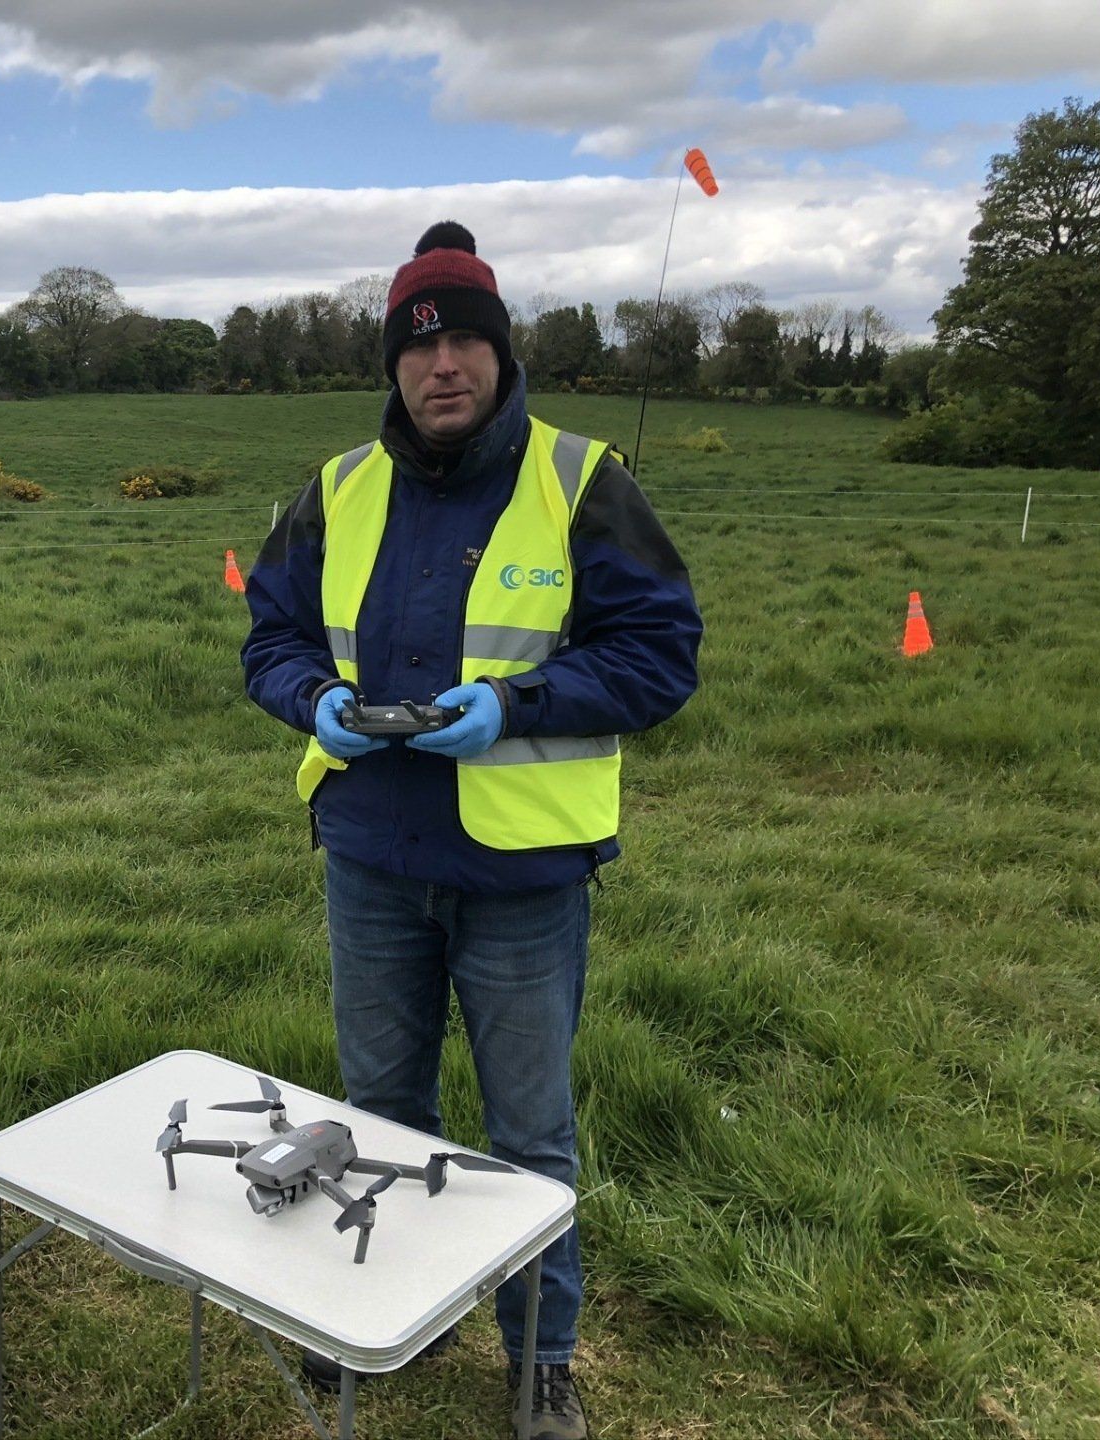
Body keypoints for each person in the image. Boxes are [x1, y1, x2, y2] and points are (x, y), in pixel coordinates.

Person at [241, 222, 702, 1440]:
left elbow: (662, 656)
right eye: (417, 344)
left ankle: (542, 1358)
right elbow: (271, 639)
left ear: (501, 354)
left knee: (530, 1136)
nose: (442, 365)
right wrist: (316, 703)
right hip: (372, 861)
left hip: (522, 879)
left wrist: (515, 705)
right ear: (393, 367)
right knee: (382, 1116)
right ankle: (398, 1314)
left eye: (466, 341)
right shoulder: (337, 488)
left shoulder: (582, 477)